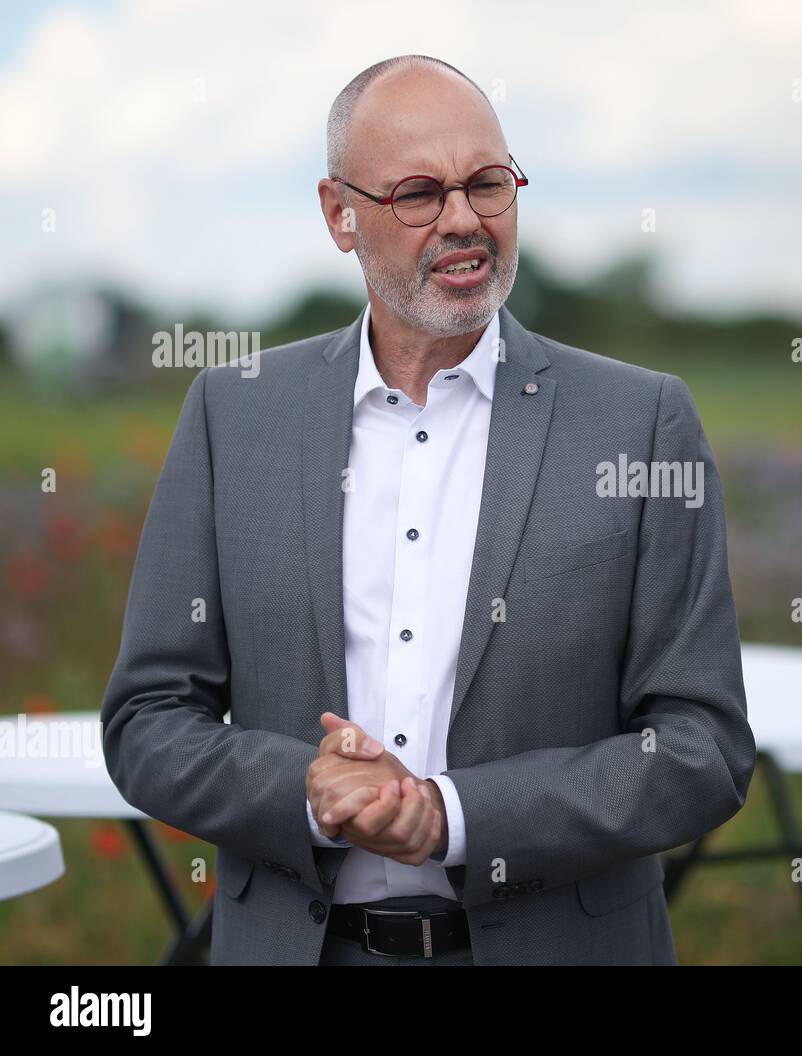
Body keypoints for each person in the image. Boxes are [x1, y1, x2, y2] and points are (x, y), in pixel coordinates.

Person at [100, 54, 755, 966]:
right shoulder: (232, 413)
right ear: (339, 213)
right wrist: (308, 789)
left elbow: (703, 747)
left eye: (488, 184)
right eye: (418, 193)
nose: (463, 220)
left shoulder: (640, 421)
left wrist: (452, 816)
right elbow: (148, 718)